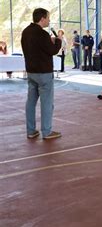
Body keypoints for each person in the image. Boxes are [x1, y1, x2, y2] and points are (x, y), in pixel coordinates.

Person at [21, 8, 63, 139]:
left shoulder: (26, 32)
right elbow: (52, 51)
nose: (49, 20)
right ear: (42, 18)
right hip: (44, 72)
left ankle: (31, 130)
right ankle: (47, 131)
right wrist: (58, 40)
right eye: (48, 18)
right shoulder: (42, 34)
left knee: (31, 102)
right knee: (47, 103)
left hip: (31, 71)